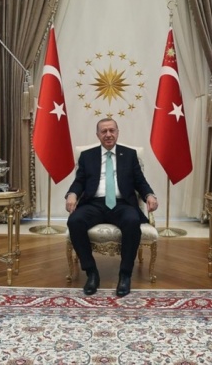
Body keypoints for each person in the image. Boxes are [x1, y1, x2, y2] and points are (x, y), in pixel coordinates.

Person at [66, 118, 158, 297]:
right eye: (104, 131)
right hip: (94, 203)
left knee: (132, 221)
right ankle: (92, 273)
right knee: (75, 221)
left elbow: (140, 181)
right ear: (98, 135)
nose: (108, 135)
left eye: (111, 130)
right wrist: (72, 194)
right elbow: (79, 181)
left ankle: (125, 275)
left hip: (122, 203)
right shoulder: (87, 156)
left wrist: (149, 194)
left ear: (117, 132)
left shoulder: (129, 155)